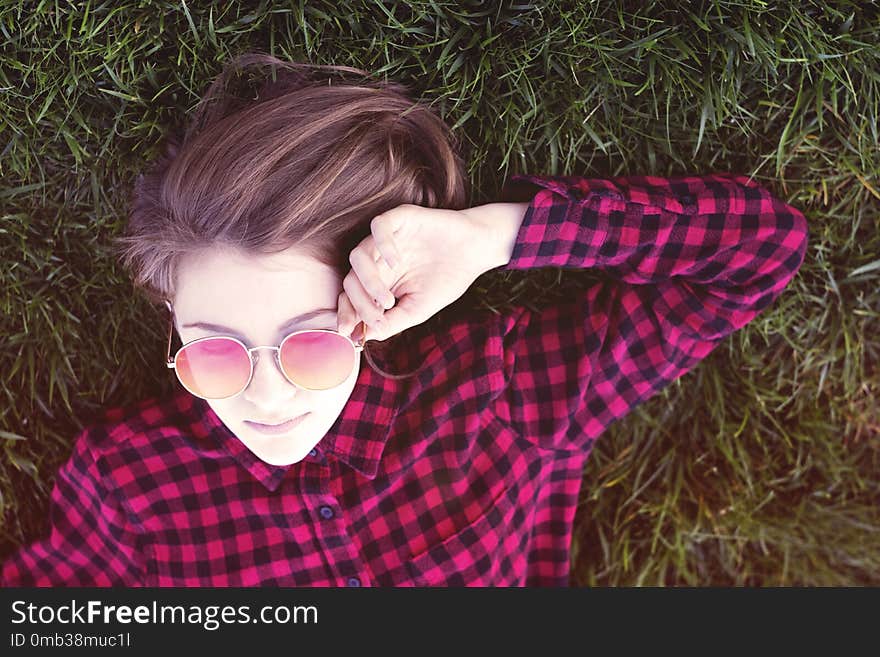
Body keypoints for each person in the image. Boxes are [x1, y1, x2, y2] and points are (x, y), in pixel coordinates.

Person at [0, 53, 809, 586]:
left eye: (310, 342)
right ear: (172, 317)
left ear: (370, 300)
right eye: (212, 354)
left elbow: (757, 251)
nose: (267, 399)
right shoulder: (133, 479)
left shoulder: (498, 397)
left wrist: (495, 237)